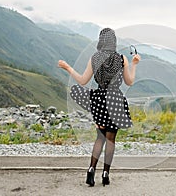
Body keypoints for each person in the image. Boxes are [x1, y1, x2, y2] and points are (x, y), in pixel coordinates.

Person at [58, 28, 141, 187]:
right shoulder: (122, 58)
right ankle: (105, 173)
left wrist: (67, 67)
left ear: (100, 41)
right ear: (114, 42)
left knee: (99, 138)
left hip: (100, 101)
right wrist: (134, 64)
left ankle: (91, 169)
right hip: (115, 100)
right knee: (111, 140)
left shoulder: (94, 58)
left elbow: (82, 81)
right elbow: (129, 82)